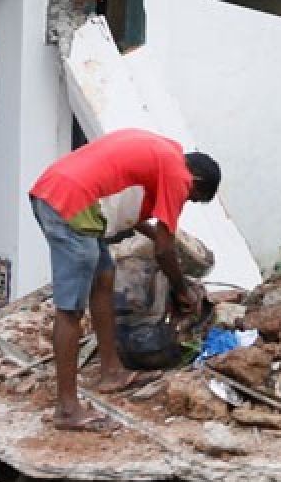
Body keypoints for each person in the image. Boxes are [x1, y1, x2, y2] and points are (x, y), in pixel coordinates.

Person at [28, 128, 220, 432]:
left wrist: (159, 235)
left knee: (104, 278)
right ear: (195, 181)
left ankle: (111, 371)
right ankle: (67, 408)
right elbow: (164, 251)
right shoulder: (178, 175)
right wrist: (183, 291)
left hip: (62, 193)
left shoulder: (164, 153)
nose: (186, 201)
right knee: (70, 310)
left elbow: (131, 209)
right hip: (71, 204)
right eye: (193, 199)